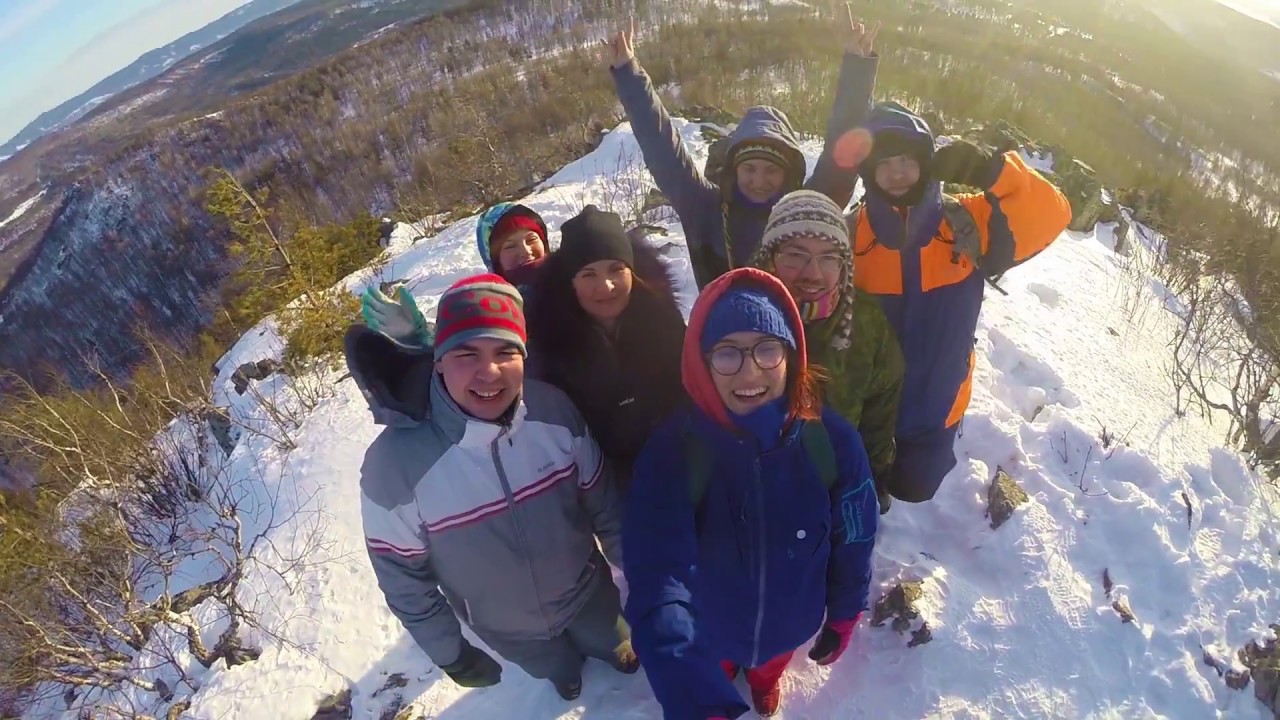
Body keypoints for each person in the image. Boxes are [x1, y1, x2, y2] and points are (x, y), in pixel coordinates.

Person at [347, 274, 637, 702]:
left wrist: (643, 574)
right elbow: (405, 580)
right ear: (438, 359)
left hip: (588, 593)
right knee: (553, 666)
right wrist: (451, 653)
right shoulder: (393, 467)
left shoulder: (552, 411)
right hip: (508, 628)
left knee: (612, 638)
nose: (489, 371)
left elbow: (603, 501)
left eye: (506, 351)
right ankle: (564, 675)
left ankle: (617, 650)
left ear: (524, 356)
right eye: (466, 352)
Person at [623, 268, 879, 719]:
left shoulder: (831, 442)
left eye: (766, 349)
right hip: (709, 628)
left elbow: (855, 536)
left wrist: (845, 609)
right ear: (701, 363)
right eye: (727, 353)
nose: (749, 371)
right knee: (715, 668)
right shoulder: (674, 451)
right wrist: (699, 701)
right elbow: (658, 574)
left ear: (791, 355)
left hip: (791, 619)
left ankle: (763, 683)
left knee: (769, 666)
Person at [850, 101, 1073, 503]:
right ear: (868, 172)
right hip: (870, 413)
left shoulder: (964, 223)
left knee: (915, 491)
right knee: (865, 492)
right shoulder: (853, 237)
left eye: (906, 159)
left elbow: (1054, 213)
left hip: (940, 406)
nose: (896, 172)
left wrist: (992, 171)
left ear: (925, 162)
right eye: (883, 162)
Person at [603, 16, 881, 288]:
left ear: (788, 173)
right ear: (734, 169)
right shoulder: (704, 208)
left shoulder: (805, 210)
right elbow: (661, 145)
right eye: (749, 169)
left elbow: (842, 157)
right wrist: (629, 75)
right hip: (721, 333)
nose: (759, 181)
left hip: (795, 333)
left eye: (771, 170)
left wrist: (858, 70)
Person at [750, 189, 903, 512]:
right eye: (796, 254)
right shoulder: (737, 315)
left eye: (829, 257)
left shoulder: (866, 324)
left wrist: (871, 480)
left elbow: (879, 414)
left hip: (832, 486)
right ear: (770, 256)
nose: (813, 273)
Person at [525, 205, 686, 487]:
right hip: (607, 488)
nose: (606, 286)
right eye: (589, 274)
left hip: (682, 471)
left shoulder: (666, 326)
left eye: (616, 270)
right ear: (570, 282)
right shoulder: (550, 350)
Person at [358, 202, 550, 348]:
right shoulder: (489, 305)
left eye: (531, 239)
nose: (525, 251)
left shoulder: (573, 277)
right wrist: (417, 338)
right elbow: (460, 356)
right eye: (510, 246)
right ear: (493, 258)